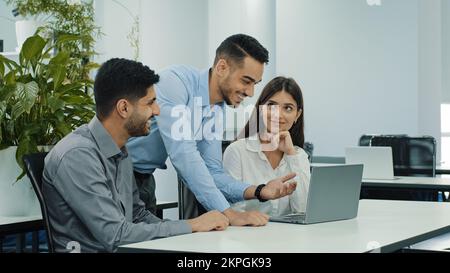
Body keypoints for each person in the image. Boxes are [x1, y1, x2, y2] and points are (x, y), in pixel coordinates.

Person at [42, 58, 229, 253]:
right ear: (123, 108)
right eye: (150, 103)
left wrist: (187, 234)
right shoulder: (77, 156)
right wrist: (192, 225)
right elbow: (116, 236)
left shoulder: (120, 149)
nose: (157, 111)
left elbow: (138, 215)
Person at [127, 34, 297, 227]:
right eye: (246, 81)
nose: (250, 93)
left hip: (144, 179)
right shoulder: (175, 83)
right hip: (116, 171)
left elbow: (213, 171)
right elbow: (184, 155)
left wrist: (259, 190)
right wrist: (229, 214)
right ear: (222, 67)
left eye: (254, 84)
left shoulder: (216, 109)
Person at [223, 77, 311, 216]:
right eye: (271, 105)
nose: (278, 115)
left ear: (297, 115)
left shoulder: (299, 156)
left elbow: (303, 209)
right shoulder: (237, 151)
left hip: (288, 235)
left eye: (288, 108)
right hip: (246, 234)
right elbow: (230, 208)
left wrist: (291, 154)